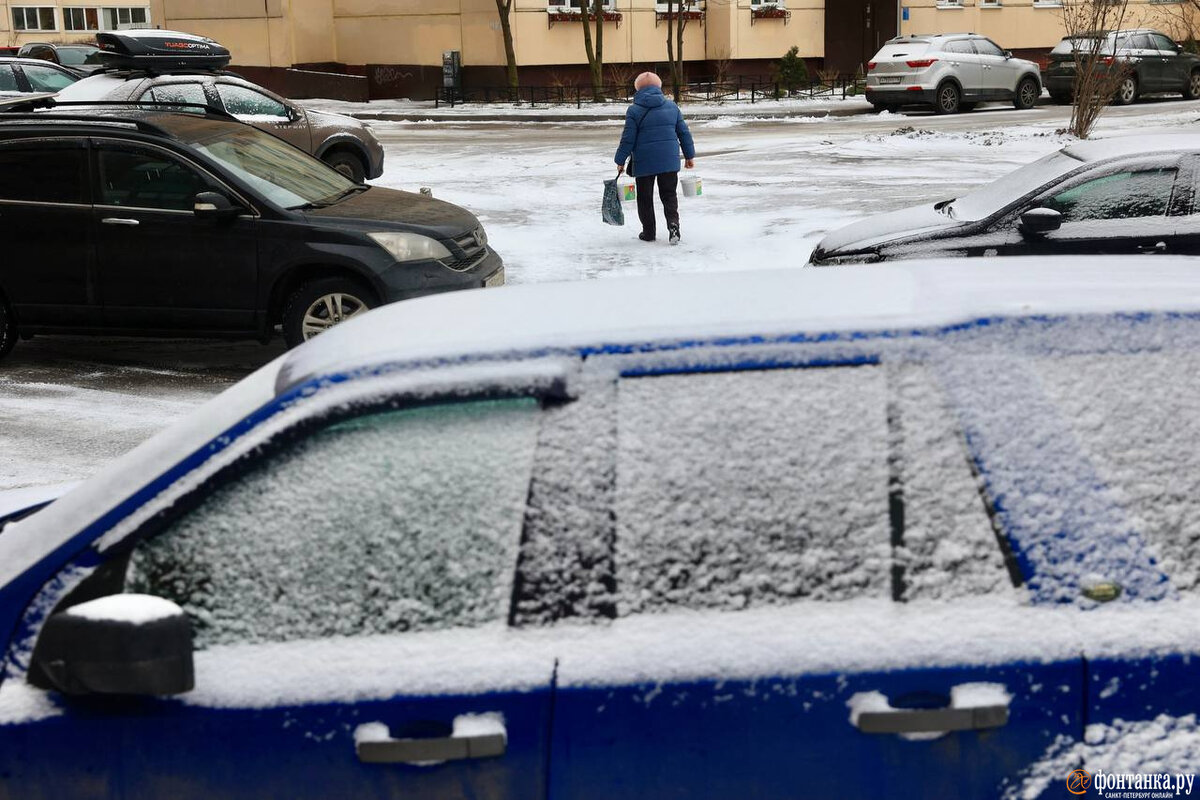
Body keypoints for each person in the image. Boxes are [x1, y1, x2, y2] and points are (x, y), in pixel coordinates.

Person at [614, 72, 696, 245]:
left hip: (644, 162)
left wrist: (620, 160)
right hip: (669, 160)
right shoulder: (672, 107)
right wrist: (689, 156)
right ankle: (673, 226)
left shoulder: (634, 110)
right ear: (658, 87)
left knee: (645, 198)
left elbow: (628, 139)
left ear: (638, 89)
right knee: (669, 196)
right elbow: (684, 133)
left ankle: (649, 232)